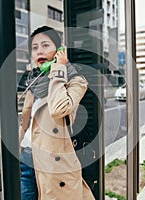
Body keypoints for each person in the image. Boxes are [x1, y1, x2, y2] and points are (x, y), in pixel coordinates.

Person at [19, 26, 95, 200]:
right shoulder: (34, 83)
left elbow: (58, 109)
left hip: (53, 163)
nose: (40, 51)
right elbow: (26, 121)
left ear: (60, 50)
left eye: (45, 45)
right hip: (27, 159)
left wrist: (58, 70)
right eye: (35, 47)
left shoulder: (76, 81)